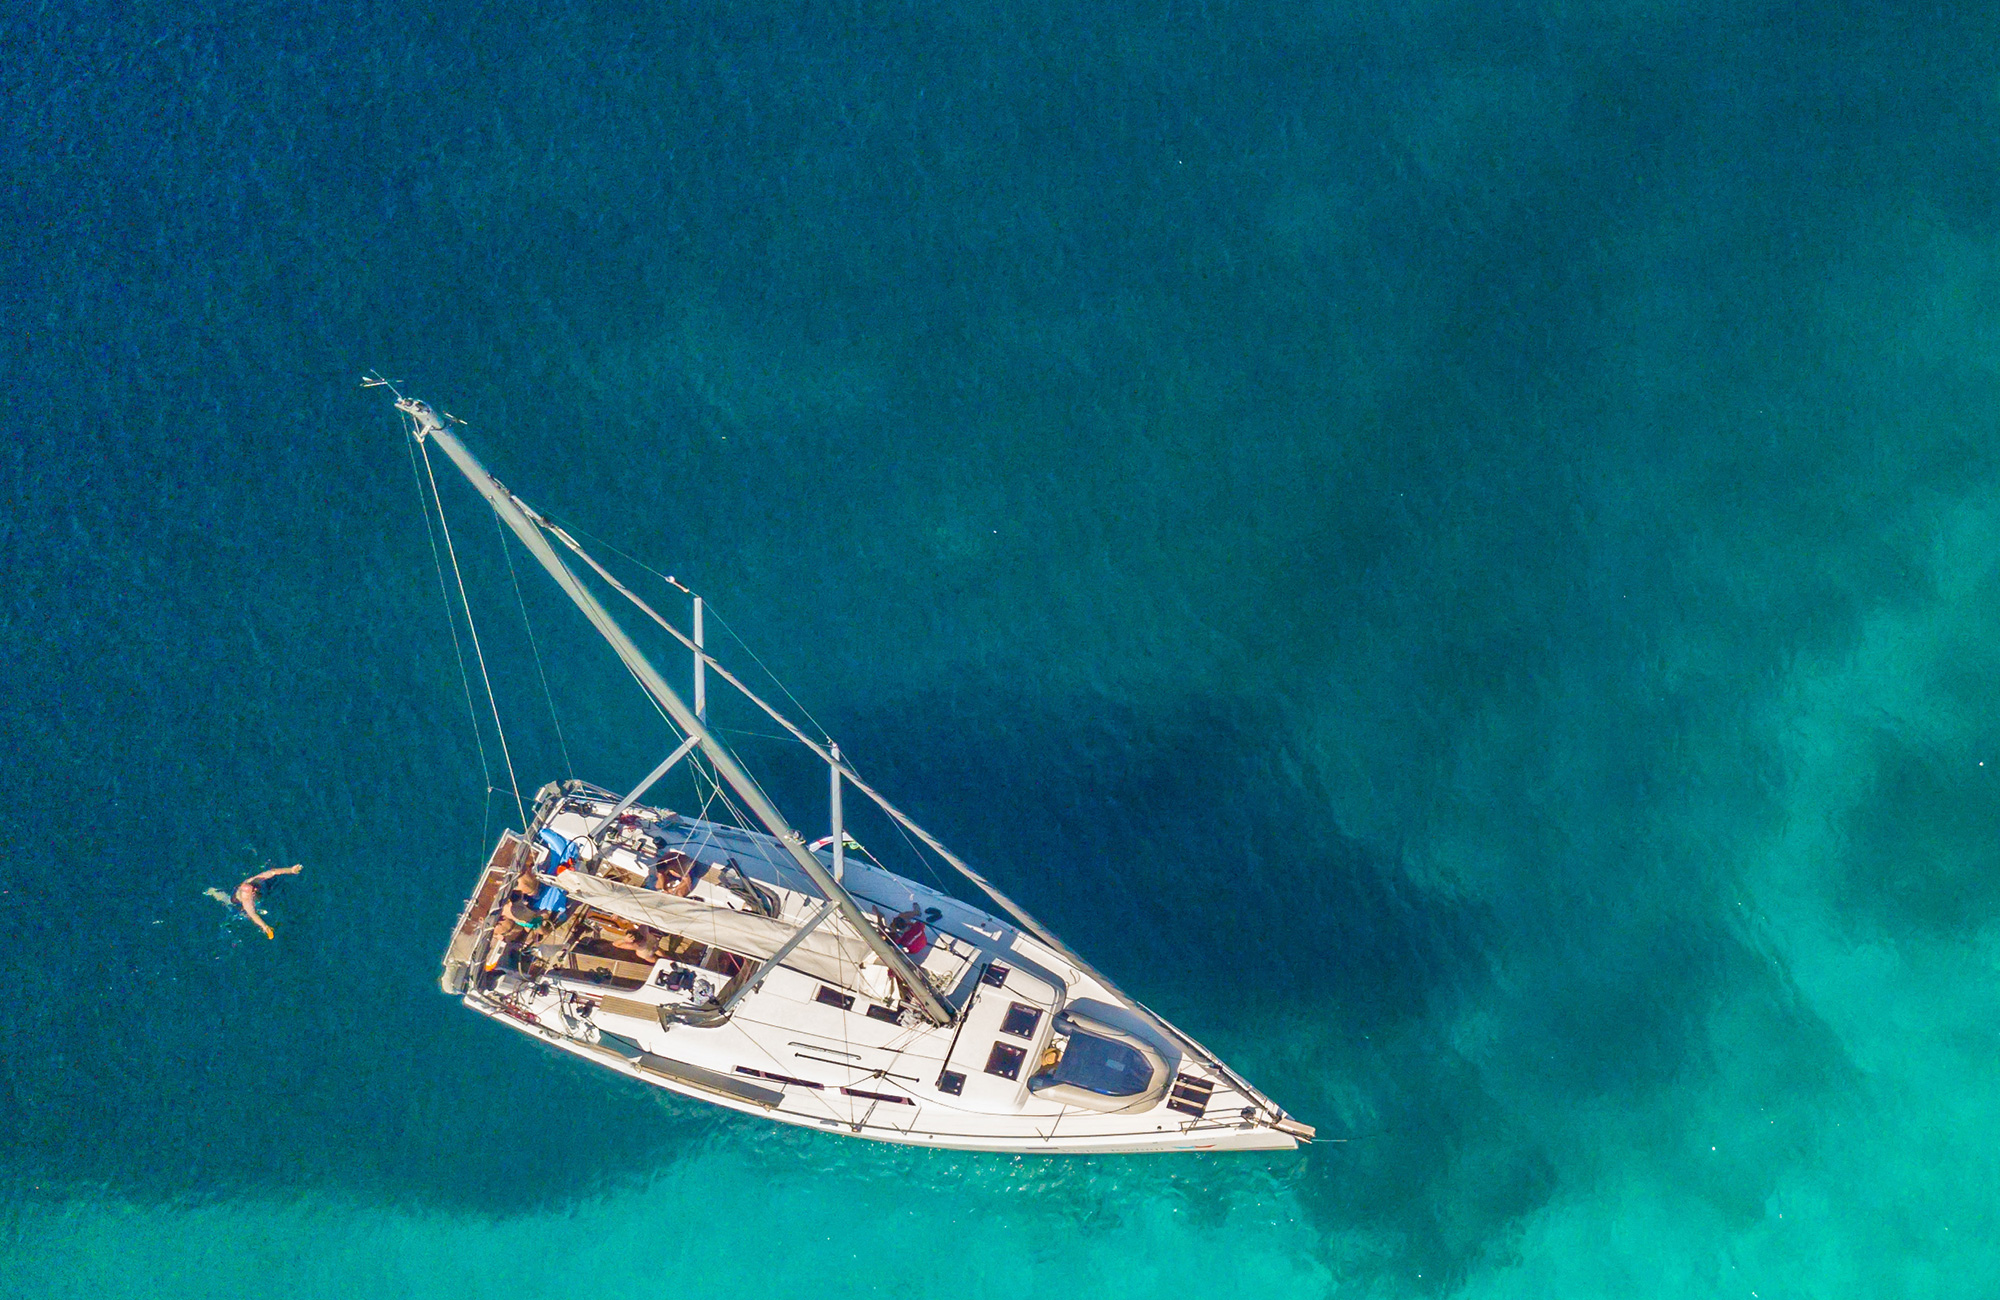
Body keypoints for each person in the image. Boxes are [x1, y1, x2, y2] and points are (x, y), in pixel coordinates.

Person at [232, 864, 303, 940]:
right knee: (240, 911)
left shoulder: (255, 881)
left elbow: (273, 872)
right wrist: (265, 926)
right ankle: (218, 894)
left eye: (254, 887)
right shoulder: (246, 900)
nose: (256, 889)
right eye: (253, 890)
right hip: (236, 901)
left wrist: (291, 870)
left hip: (242, 889)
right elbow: (253, 914)